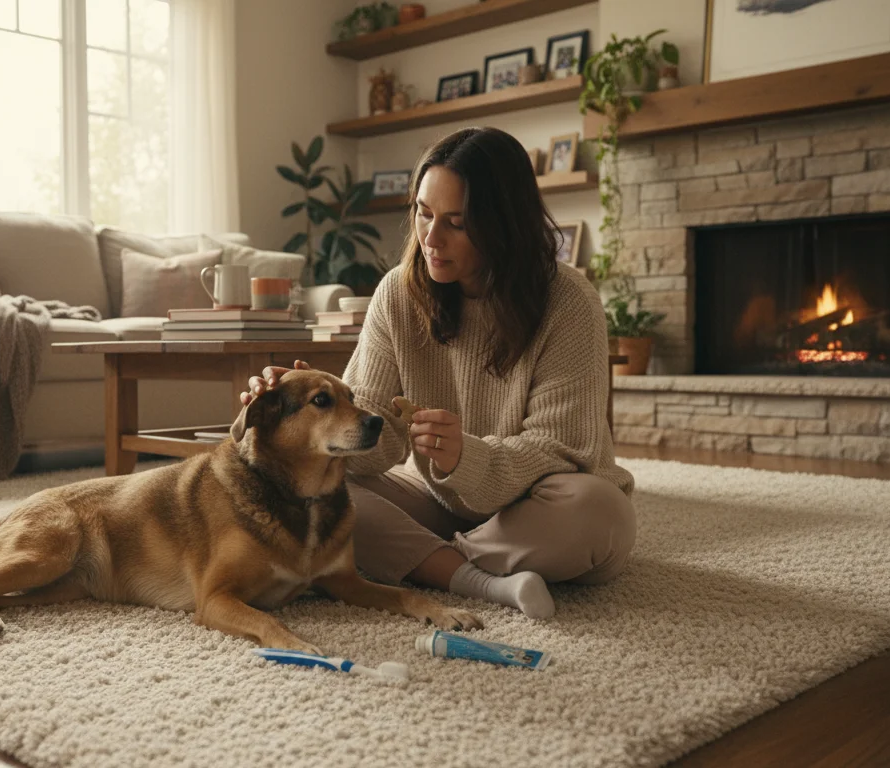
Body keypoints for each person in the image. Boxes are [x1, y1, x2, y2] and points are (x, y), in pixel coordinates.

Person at [240, 127, 635, 619]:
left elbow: (561, 448)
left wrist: (467, 457)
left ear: (503, 225)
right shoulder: (398, 294)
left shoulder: (570, 302)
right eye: (423, 214)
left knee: (600, 515)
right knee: (314, 490)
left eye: (457, 222)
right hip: (435, 499)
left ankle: (422, 557)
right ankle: (478, 577)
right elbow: (371, 438)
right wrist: (305, 411)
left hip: (541, 501)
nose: (430, 237)